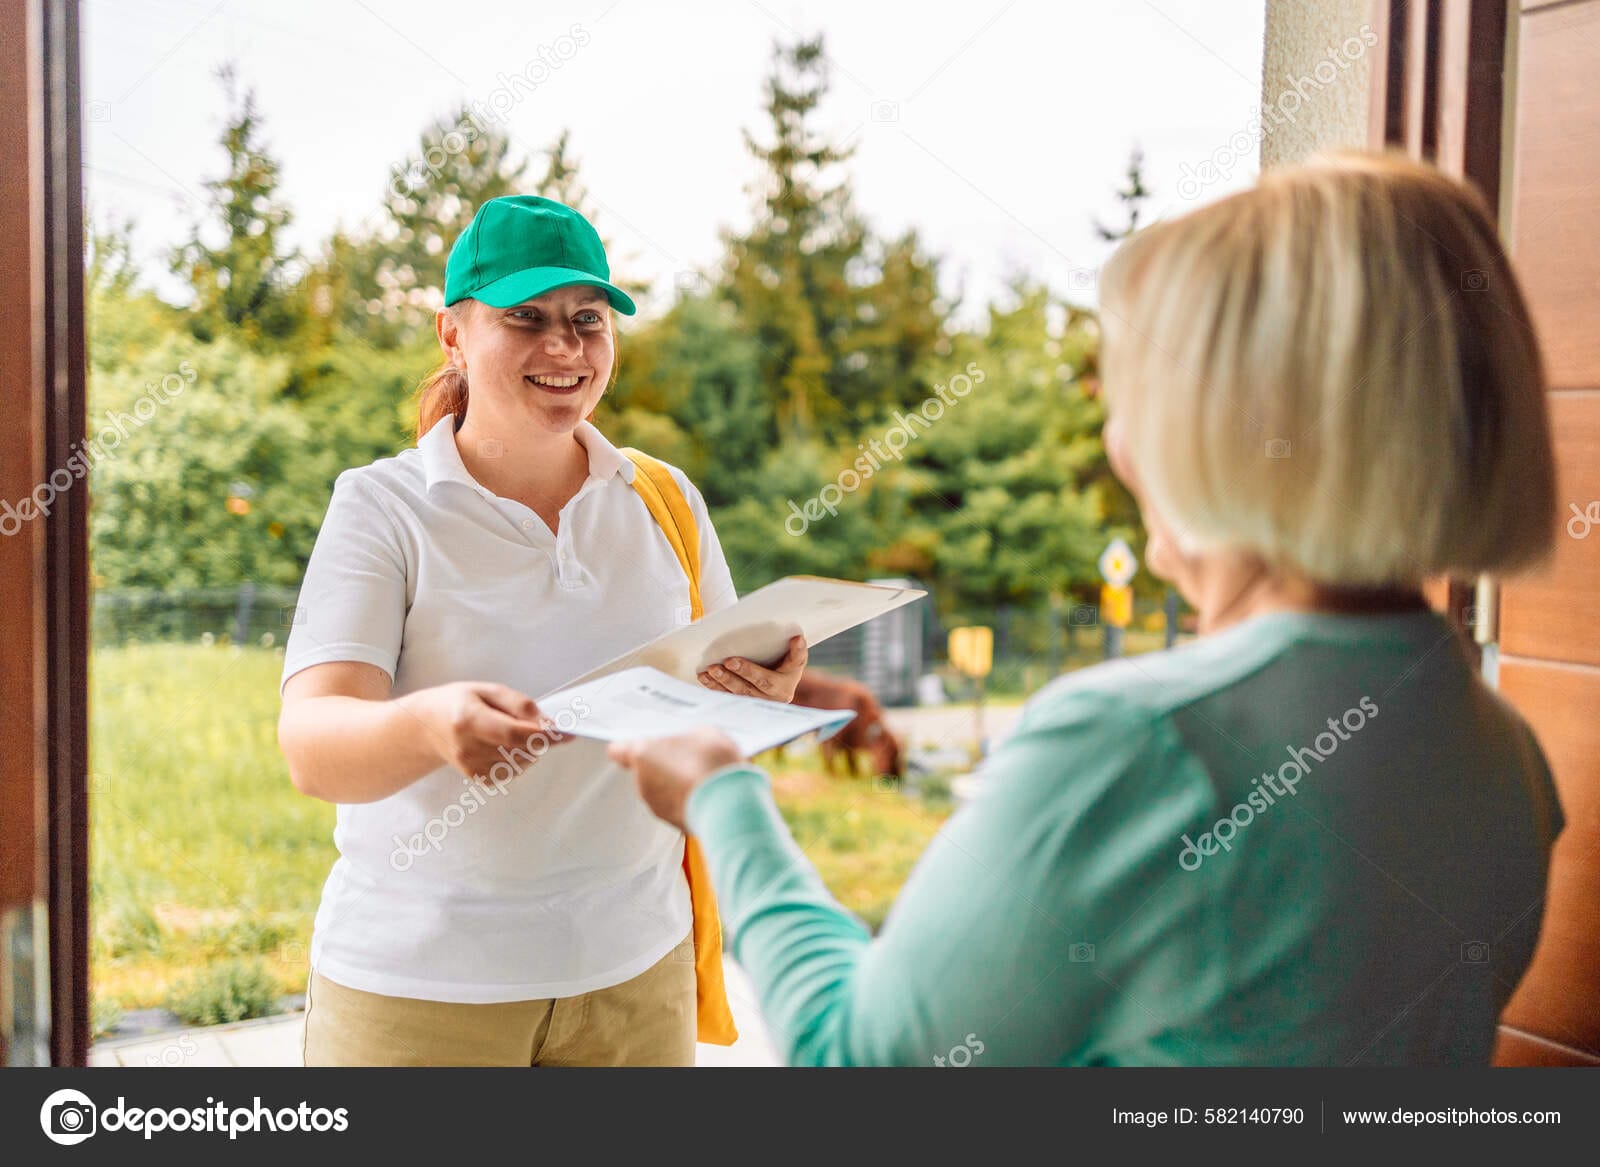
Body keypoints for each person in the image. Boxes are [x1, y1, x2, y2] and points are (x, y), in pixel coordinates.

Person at [607, 154, 1566, 1066]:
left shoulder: (1143, 744)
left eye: (1143, 399)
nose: (1116, 442)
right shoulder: (1503, 751)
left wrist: (720, 797)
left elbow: (860, 1058)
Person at [277, 195, 807, 1066]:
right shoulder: (382, 507)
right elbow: (312, 743)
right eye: (526, 317)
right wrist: (429, 724)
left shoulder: (663, 499)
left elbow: (707, 715)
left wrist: (762, 700)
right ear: (453, 333)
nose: (564, 347)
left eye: (587, 320)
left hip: (635, 974)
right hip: (423, 993)